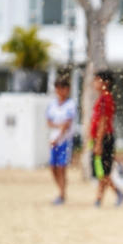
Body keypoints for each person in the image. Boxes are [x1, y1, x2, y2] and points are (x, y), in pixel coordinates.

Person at [89, 69, 123, 207]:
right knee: (101, 171)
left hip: (104, 139)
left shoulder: (106, 99)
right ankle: (99, 198)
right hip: (102, 138)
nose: (95, 83)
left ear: (106, 83)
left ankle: (113, 193)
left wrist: (98, 143)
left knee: (103, 171)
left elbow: (103, 122)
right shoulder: (103, 98)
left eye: (97, 80)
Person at [46, 74, 77, 205]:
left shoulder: (70, 105)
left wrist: (58, 135)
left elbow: (67, 125)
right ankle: (61, 190)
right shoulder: (52, 104)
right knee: (53, 167)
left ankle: (62, 193)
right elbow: (49, 122)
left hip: (64, 140)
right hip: (54, 139)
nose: (60, 91)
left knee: (61, 167)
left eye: (62, 88)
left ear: (67, 89)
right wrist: (59, 126)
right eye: (58, 88)